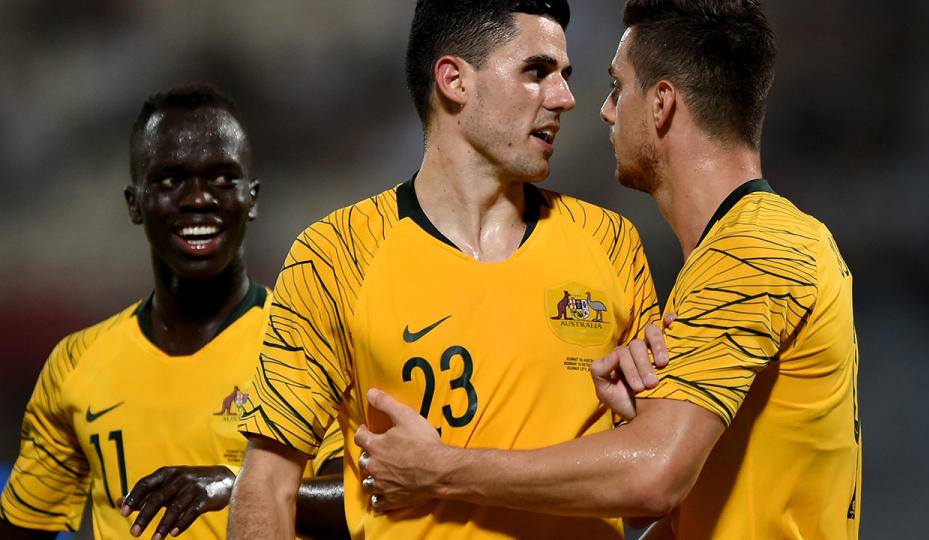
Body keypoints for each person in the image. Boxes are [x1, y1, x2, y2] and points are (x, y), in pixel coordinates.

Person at [353, 1, 862, 539]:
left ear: (662, 104)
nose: (603, 110)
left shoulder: (753, 248)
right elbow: (693, 498)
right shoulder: (747, 247)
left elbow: (653, 474)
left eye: (618, 88)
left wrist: (438, 470)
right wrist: (645, 417)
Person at [228, 1, 666, 539]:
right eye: (537, 72)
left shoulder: (610, 241)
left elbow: (655, 477)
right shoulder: (335, 254)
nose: (565, 98)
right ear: (454, 80)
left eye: (565, 76)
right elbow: (268, 484)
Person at [0, 84, 348, 540]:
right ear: (134, 204)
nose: (198, 198)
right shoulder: (75, 365)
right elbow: (24, 529)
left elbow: (366, 503)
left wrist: (240, 486)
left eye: (223, 177)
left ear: (253, 198)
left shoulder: (304, 345)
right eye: (170, 180)